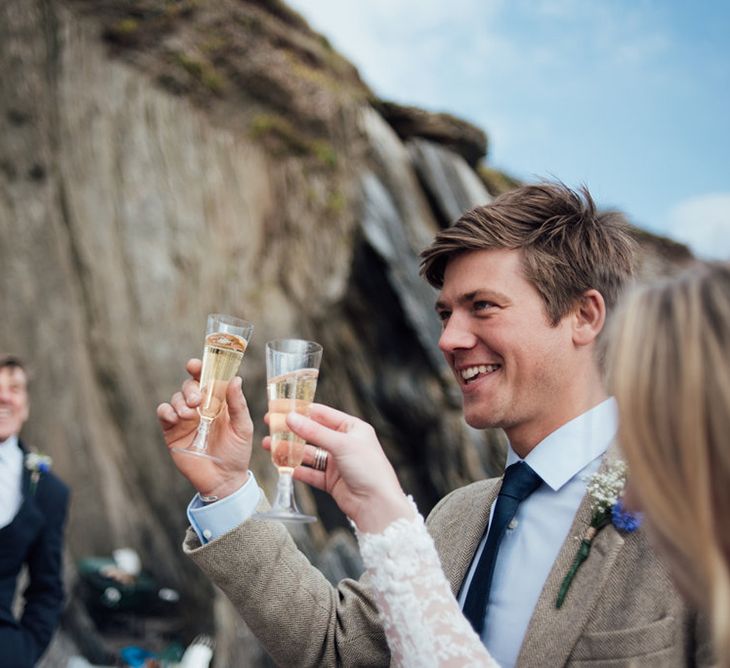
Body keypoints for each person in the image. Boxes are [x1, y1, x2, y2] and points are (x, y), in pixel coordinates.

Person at [158, 182, 710, 666]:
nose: (448, 340)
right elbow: (338, 650)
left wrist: (385, 513)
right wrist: (228, 488)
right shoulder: (457, 514)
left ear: (584, 315)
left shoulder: (695, 511)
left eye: (483, 306)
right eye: (446, 313)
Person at [0, 355, 70, 667]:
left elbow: (47, 589)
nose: (3, 396)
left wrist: (21, 652)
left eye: (14, 388)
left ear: (25, 406)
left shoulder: (48, 492)